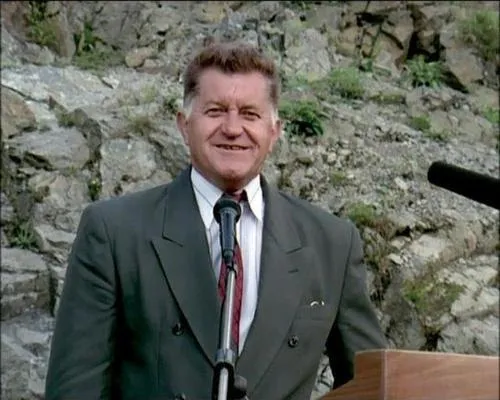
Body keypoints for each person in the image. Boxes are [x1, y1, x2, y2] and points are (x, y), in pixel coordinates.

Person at [45, 41, 387, 400]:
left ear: (274, 132)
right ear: (184, 125)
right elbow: (74, 390)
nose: (233, 128)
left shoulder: (332, 243)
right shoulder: (114, 232)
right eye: (215, 111)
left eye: (250, 114)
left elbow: (375, 387)